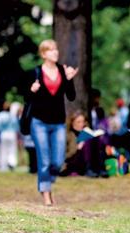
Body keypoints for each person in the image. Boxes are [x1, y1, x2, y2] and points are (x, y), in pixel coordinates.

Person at [28, 39, 78, 206]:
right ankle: (46, 195)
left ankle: (47, 183)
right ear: (43, 54)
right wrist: (32, 90)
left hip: (58, 123)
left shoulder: (63, 72)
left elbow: (71, 97)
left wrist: (70, 79)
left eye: (56, 49)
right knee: (44, 161)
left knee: (57, 162)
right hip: (39, 122)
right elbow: (28, 99)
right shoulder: (36, 72)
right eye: (50, 50)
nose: (55, 52)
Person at [60, 111, 108, 177]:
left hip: (89, 159)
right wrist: (77, 148)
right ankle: (88, 169)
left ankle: (101, 168)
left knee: (96, 140)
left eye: (83, 121)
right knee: (87, 142)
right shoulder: (68, 135)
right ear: (72, 123)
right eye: (78, 122)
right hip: (73, 161)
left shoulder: (86, 132)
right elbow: (64, 155)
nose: (81, 124)